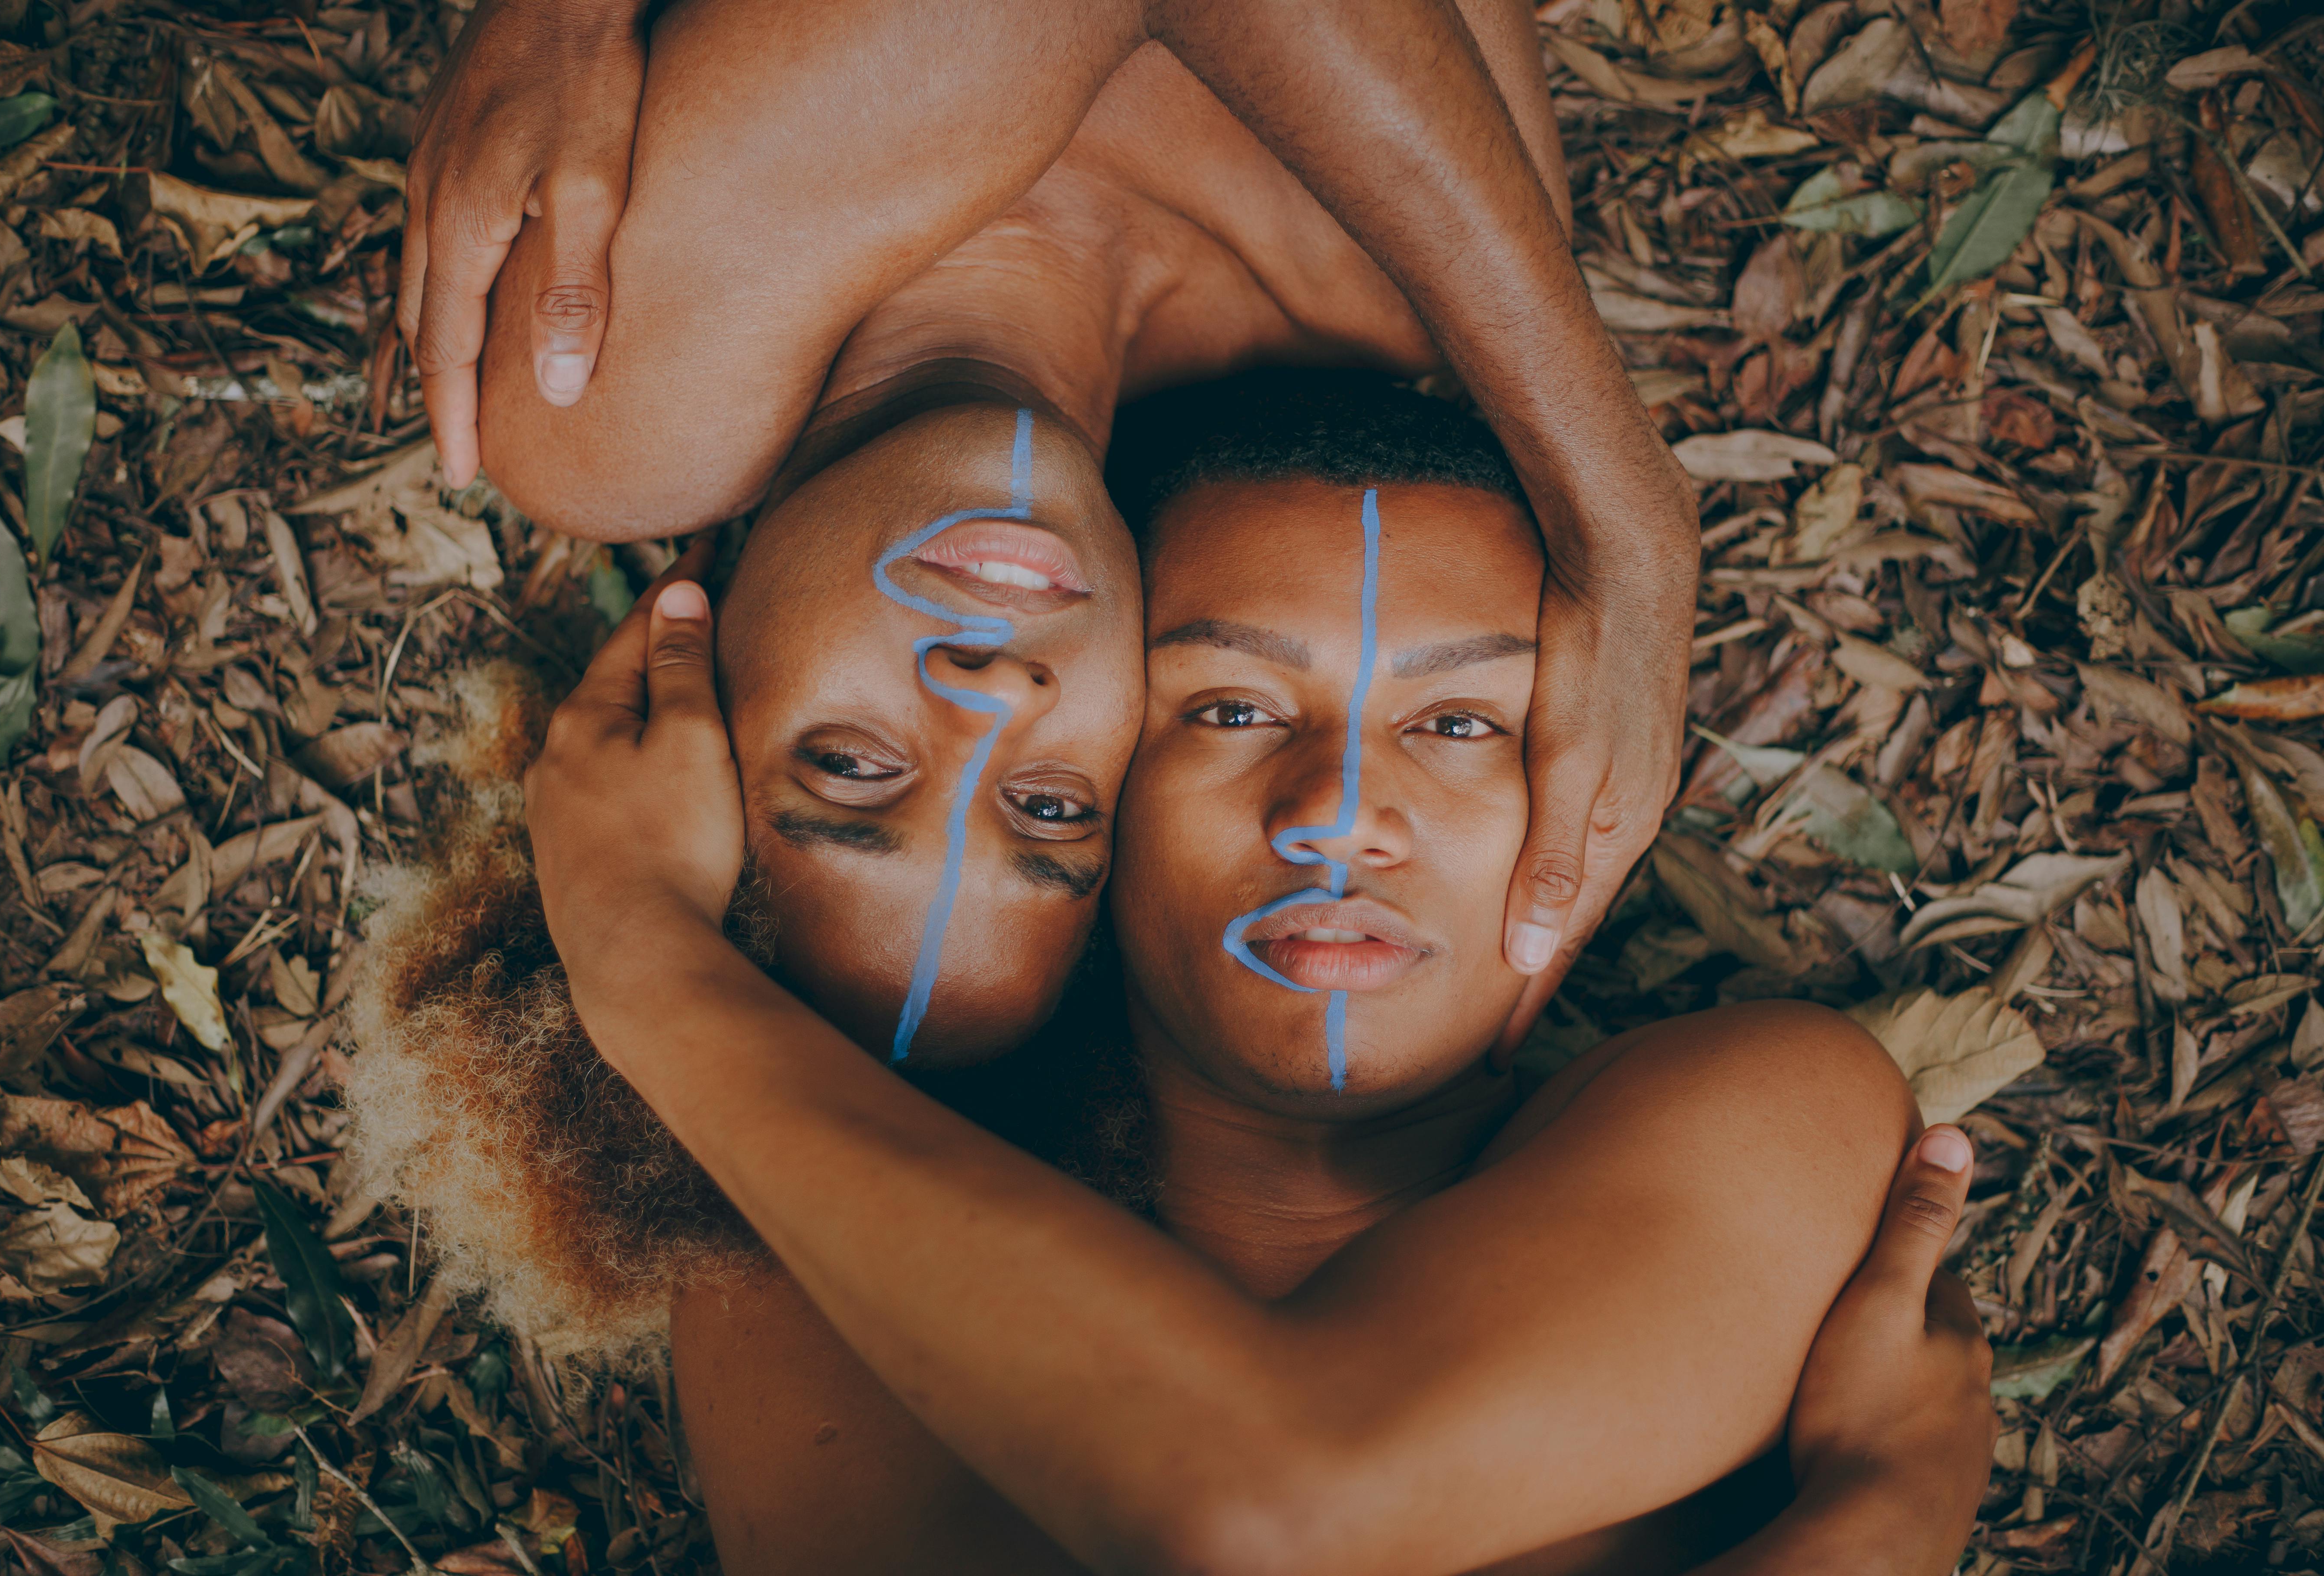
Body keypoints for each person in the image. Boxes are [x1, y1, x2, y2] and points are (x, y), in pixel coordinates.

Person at [520, 373, 1996, 1571]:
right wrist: (1880, 1526)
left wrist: (633, 951)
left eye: (1465, 725)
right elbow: (1243, 1512)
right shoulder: (807, 1239)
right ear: (1086, 784)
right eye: (1226, 706)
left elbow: (1270, 1514)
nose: (1341, 808)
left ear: (1595, 805)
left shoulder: (1779, 1117)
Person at [400, 0, 1703, 1032]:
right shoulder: (1382, 284)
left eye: (851, 767)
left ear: (688, 677)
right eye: (1051, 805)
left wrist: (1624, 510)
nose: (996, 692)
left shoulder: (613, 398)